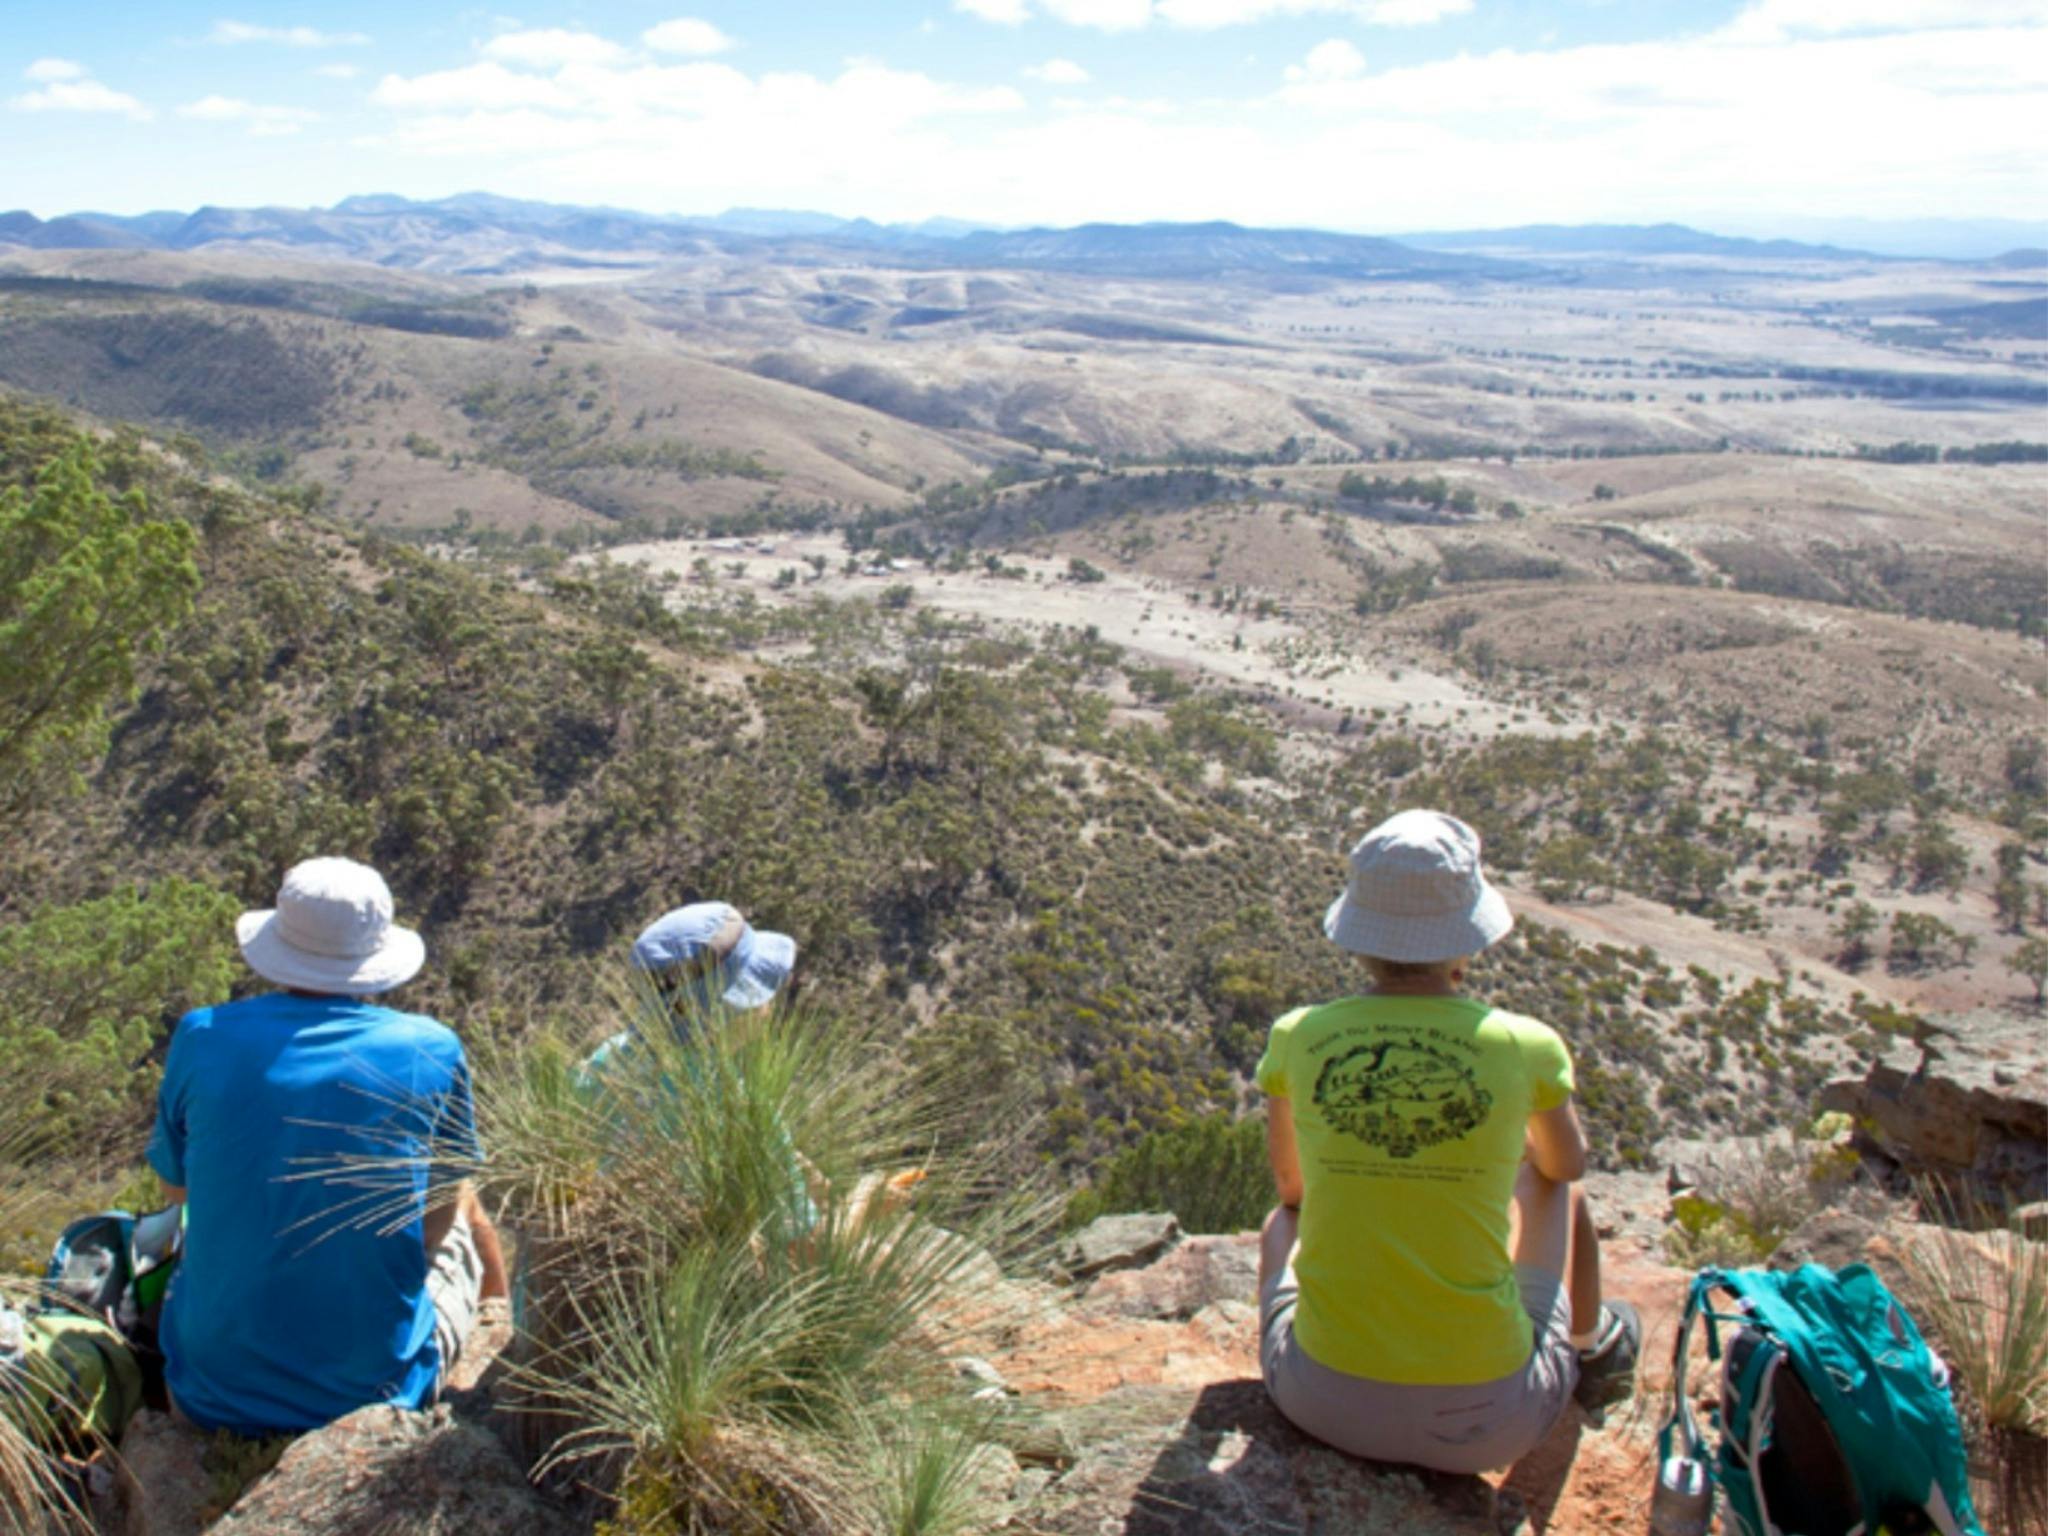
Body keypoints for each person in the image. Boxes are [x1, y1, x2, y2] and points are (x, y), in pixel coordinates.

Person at [1255, 809, 1639, 1475]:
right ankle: (1590, 1345)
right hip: (1488, 1426)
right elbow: (1568, 1163)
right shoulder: (1524, 1042)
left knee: (1277, 1224)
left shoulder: (1299, 1034)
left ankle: (1332, 1353)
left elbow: (1293, 1192)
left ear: (1359, 936)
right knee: (1552, 1185)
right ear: (1467, 939)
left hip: (1318, 1407)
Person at [147, 857, 508, 1436]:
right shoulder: (430, 1048)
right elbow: (436, 1217)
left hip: (211, 1394)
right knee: (462, 1197)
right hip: (375, 1394)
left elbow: (173, 1188)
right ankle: (498, 1323)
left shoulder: (202, 1035)